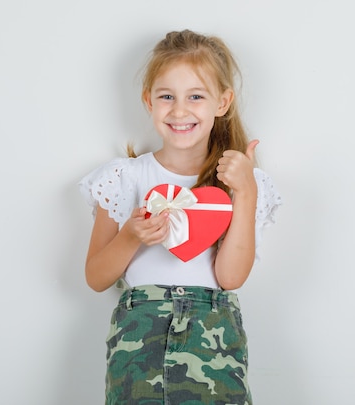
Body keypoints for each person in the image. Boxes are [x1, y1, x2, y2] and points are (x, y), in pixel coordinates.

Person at [78, 29, 282, 405]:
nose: (180, 110)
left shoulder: (241, 185)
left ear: (222, 102)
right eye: (167, 96)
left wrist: (246, 192)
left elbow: (231, 277)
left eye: (196, 96)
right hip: (137, 340)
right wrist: (130, 236)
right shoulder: (125, 178)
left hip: (214, 340)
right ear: (148, 101)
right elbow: (95, 277)